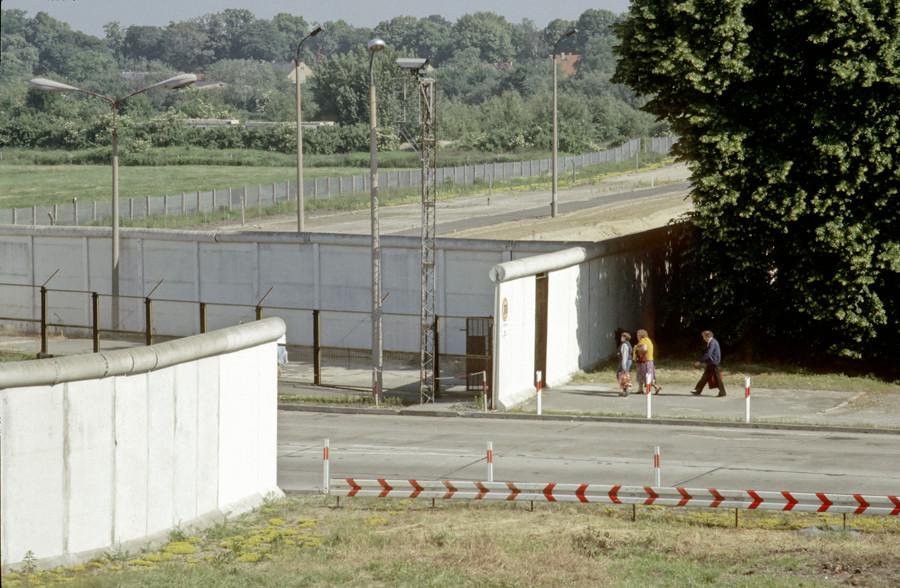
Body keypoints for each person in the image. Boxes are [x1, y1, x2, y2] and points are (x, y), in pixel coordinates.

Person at [691, 330, 726, 397]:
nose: (703, 339)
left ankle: (722, 392)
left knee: (717, 378)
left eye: (704, 337)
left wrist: (700, 361)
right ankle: (698, 390)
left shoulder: (712, 343)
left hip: (714, 363)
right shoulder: (711, 342)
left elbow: (708, 354)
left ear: (708, 336)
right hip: (711, 363)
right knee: (705, 377)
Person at [633, 329, 662, 394]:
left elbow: (644, 349)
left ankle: (656, 387)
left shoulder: (643, 340)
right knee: (641, 376)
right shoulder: (648, 340)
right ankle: (640, 389)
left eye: (638, 335)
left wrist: (636, 348)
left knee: (646, 376)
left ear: (642, 335)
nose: (637, 337)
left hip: (644, 361)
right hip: (648, 360)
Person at [616, 331, 634, 396]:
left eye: (622, 336)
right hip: (627, 361)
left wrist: (623, 365)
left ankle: (628, 388)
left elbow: (624, 355)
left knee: (621, 375)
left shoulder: (624, 345)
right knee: (623, 375)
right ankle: (625, 390)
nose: (621, 338)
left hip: (625, 361)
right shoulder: (627, 343)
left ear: (625, 337)